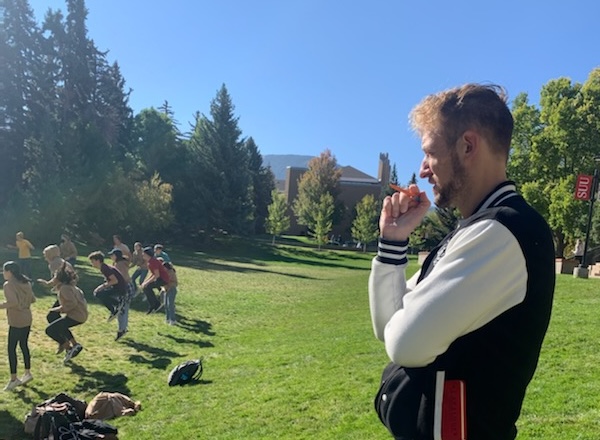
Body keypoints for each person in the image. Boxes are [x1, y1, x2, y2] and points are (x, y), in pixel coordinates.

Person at [369, 84, 555, 439]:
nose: (423, 171)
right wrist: (393, 242)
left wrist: (406, 310)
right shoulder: (475, 229)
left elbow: (403, 342)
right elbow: (386, 325)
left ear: (468, 145)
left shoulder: (502, 231)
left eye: (430, 153)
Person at [0, 261, 35, 391]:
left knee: (11, 348)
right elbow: (33, 299)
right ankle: (27, 373)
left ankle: (14, 379)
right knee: (24, 345)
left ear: (10, 272)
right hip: (27, 317)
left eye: (4, 271)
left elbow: (12, 302)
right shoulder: (26, 282)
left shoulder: (8, 285)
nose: (3, 273)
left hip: (16, 320)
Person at [45, 262, 87, 364]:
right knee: (52, 317)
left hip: (76, 316)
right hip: (80, 315)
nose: (53, 278)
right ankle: (71, 347)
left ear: (59, 279)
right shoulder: (68, 287)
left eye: (54, 276)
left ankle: (69, 346)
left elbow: (71, 303)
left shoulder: (65, 288)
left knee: (49, 330)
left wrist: (61, 309)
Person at [88, 251, 127, 322]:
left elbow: (115, 281)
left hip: (119, 288)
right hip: (118, 287)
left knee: (98, 293)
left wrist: (101, 287)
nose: (92, 263)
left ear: (98, 261)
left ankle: (115, 307)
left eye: (92, 261)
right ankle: (118, 305)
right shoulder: (104, 267)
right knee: (99, 293)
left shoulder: (104, 268)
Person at [109, 248, 134, 341]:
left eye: (112, 255)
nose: (111, 256)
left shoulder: (120, 264)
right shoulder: (119, 263)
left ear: (116, 256)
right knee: (123, 308)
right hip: (126, 287)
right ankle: (123, 328)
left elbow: (122, 277)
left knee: (121, 309)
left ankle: (121, 329)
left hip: (125, 287)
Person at [140, 247, 170, 314]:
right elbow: (152, 274)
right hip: (159, 278)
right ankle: (153, 305)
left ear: (147, 254)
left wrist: (147, 283)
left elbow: (157, 275)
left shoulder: (153, 262)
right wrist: (145, 282)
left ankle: (155, 304)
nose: (142, 254)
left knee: (147, 287)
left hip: (163, 279)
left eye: (143, 253)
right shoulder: (150, 261)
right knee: (146, 287)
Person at [161, 261, 178, 325]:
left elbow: (167, 280)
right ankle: (167, 318)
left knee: (170, 305)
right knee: (165, 304)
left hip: (171, 289)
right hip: (166, 289)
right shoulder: (164, 272)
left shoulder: (170, 272)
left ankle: (173, 320)